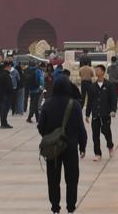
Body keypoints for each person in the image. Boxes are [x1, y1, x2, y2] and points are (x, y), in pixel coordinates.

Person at [37, 75, 87, 213]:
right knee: (71, 179)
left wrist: (50, 137)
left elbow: (41, 126)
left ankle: (55, 208)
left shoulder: (47, 104)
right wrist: (82, 146)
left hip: (53, 148)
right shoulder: (74, 104)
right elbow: (80, 128)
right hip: (70, 146)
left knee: (53, 179)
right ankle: (70, 208)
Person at [84, 65, 115, 158]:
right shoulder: (92, 86)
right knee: (95, 135)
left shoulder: (109, 85)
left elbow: (113, 99)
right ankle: (97, 153)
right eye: (95, 70)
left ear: (103, 72)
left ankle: (110, 146)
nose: (96, 71)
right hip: (95, 114)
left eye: (97, 70)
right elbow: (89, 101)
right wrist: (87, 114)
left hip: (105, 113)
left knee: (106, 131)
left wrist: (113, 110)